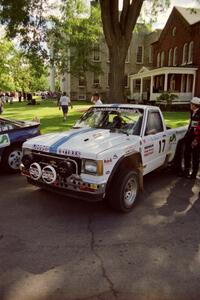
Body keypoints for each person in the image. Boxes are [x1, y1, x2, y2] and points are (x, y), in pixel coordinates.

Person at [179, 97, 200, 179]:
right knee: (186, 154)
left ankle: (194, 174)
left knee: (195, 156)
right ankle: (186, 171)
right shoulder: (192, 112)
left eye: (191, 104)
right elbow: (191, 125)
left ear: (195, 105)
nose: (190, 105)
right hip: (189, 136)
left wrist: (196, 139)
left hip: (196, 139)